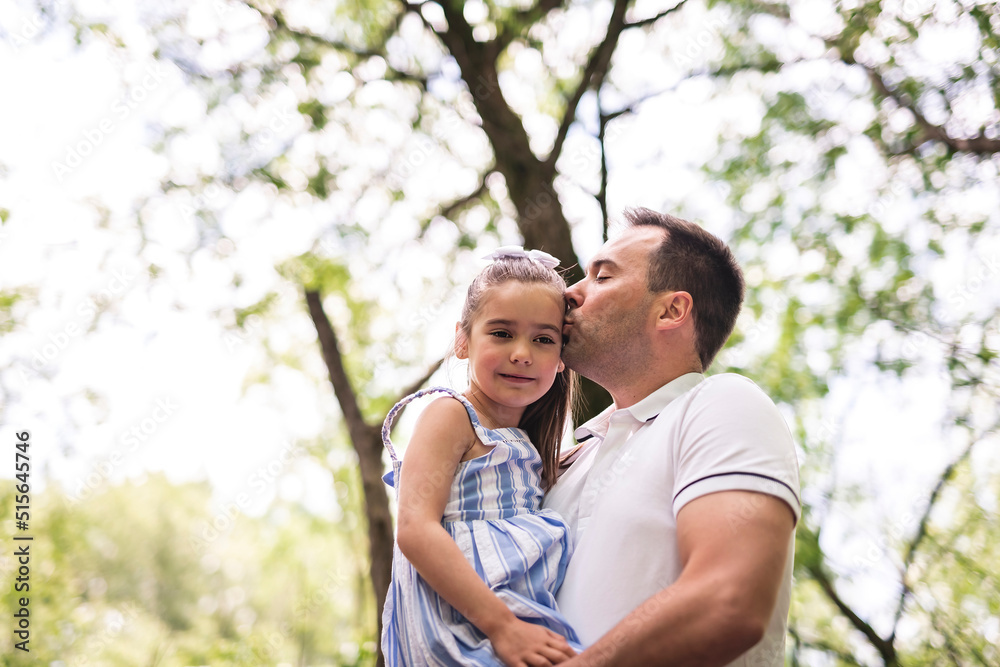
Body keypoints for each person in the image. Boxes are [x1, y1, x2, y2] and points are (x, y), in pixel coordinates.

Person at [544, 208, 801, 666]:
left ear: (672, 310)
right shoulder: (567, 461)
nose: (570, 293)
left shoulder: (722, 403)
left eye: (602, 277)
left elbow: (729, 598)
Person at [380, 246, 582, 666]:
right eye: (502, 333)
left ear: (562, 357)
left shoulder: (526, 442)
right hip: (464, 625)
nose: (522, 353)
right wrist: (502, 626)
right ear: (462, 340)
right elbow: (415, 528)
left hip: (513, 619)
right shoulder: (451, 415)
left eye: (544, 339)